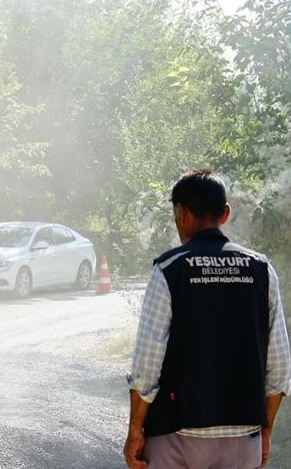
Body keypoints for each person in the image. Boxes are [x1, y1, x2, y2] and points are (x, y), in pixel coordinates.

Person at [124, 169, 291, 469]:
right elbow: (279, 367)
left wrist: (135, 431)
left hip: (176, 436)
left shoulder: (170, 270)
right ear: (225, 214)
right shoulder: (262, 270)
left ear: (181, 213)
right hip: (243, 439)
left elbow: (147, 365)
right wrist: (265, 431)